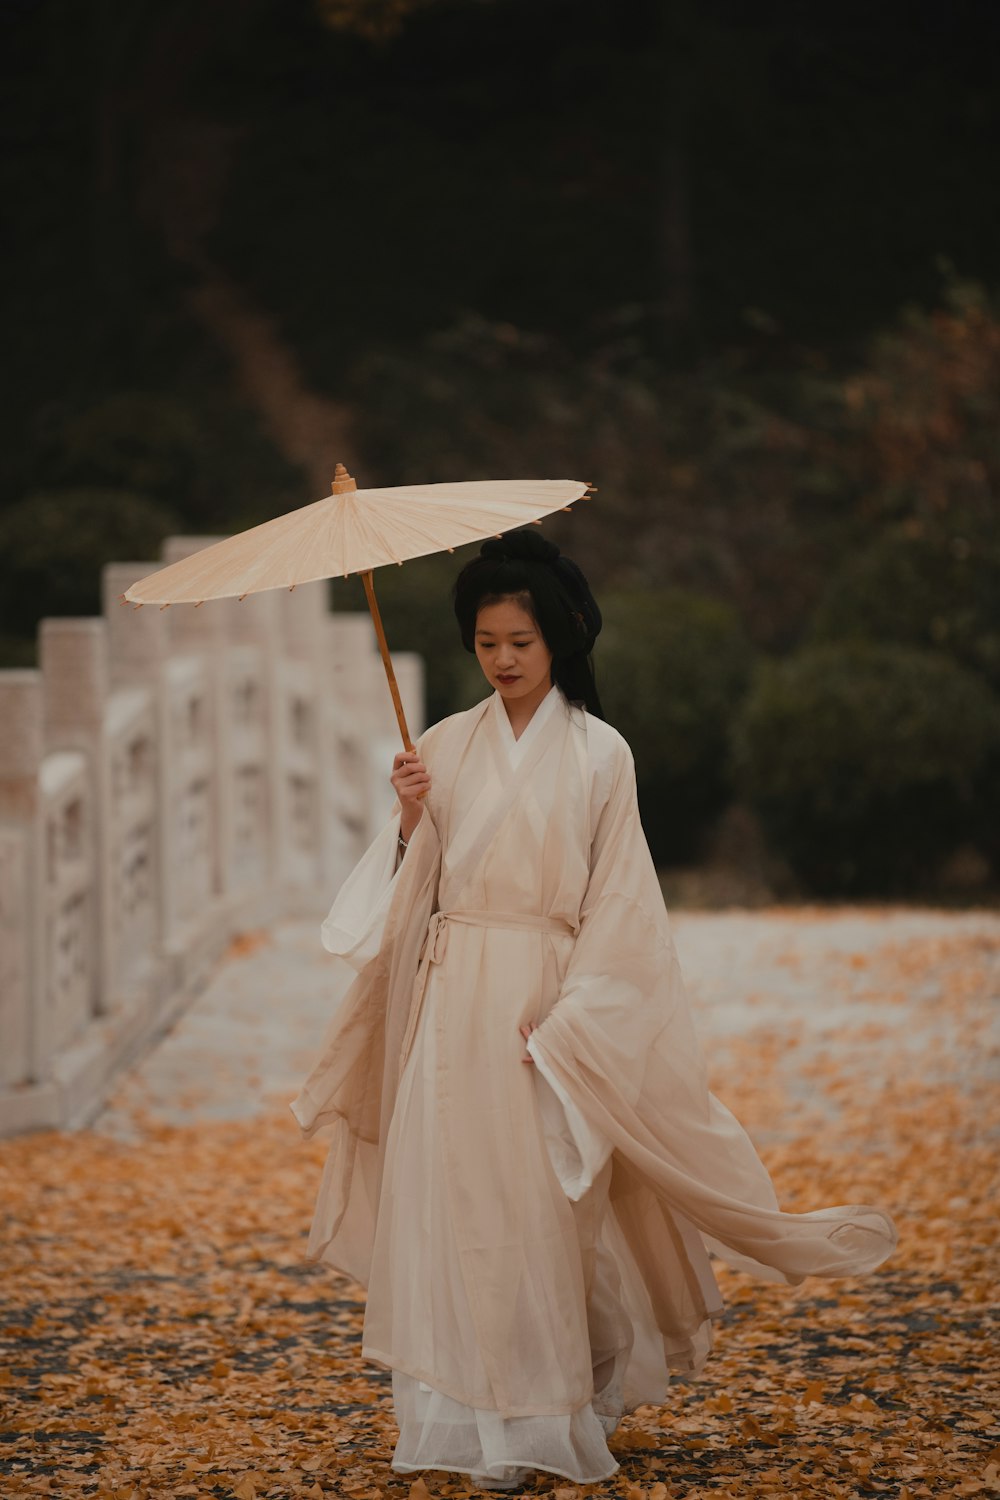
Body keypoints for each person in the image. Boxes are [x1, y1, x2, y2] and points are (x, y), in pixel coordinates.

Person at [291, 530, 897, 1489]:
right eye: (487, 642)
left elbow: (625, 906)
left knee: (547, 1214)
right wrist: (412, 822)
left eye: (520, 643)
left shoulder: (599, 754)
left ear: (560, 641)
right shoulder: (442, 745)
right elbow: (413, 894)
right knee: (464, 1206)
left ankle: (557, 1403)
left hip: (549, 1005)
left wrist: (576, 1022)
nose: (501, 660)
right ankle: (477, 1422)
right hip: (455, 1005)